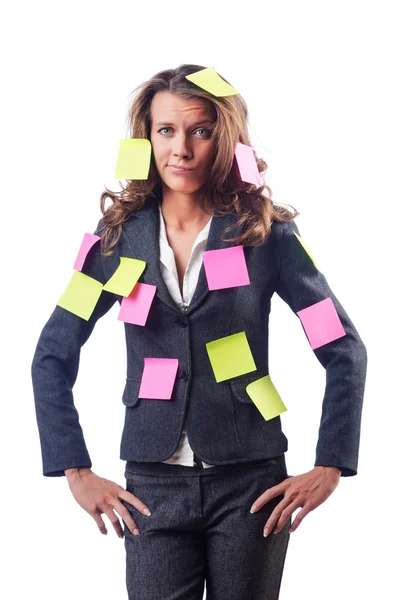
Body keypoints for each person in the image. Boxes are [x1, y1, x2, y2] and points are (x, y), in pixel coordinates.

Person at [31, 64, 367, 600]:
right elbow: (52, 354)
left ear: (225, 137)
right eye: (166, 130)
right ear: (146, 138)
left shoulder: (266, 232)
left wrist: (331, 464)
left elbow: (343, 347)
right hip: (152, 488)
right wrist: (74, 470)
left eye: (201, 131)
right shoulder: (116, 238)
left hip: (253, 485)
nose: (181, 148)